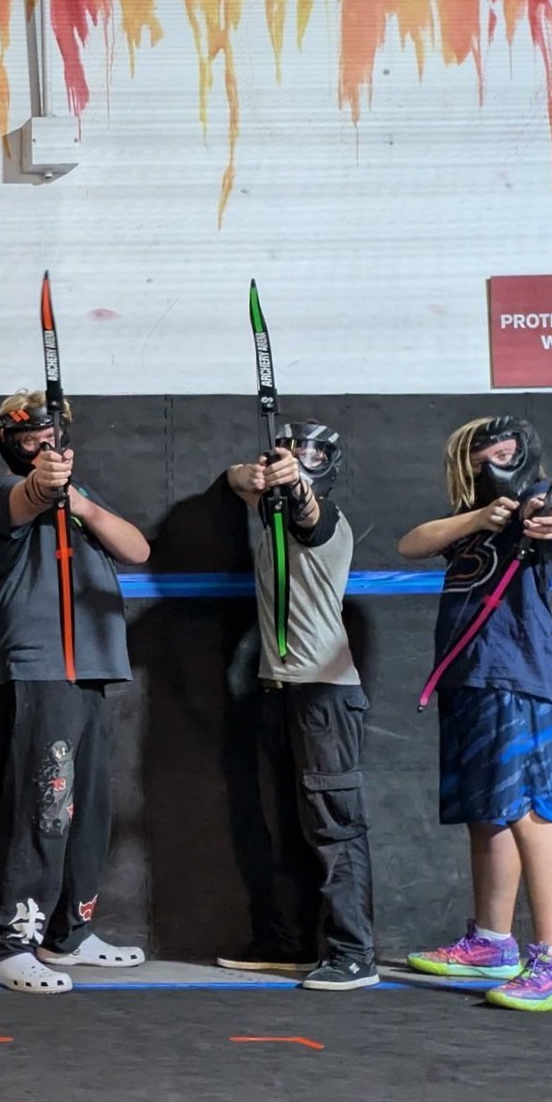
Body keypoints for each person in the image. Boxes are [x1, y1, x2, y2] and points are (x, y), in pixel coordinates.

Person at [396, 416, 552, 1012]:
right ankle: (491, 941)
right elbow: (412, 542)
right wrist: (483, 514)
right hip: (469, 680)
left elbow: (551, 522)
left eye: (501, 455)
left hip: (516, 678)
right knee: (489, 814)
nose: (490, 465)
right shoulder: (474, 522)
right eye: (479, 459)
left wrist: (541, 515)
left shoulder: (536, 504)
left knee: (531, 810)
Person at [0, 391, 153, 993]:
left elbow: (137, 549)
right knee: (44, 807)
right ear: (11, 444)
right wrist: (46, 486)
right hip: (38, 666)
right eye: (28, 440)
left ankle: (68, 932)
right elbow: (24, 500)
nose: (41, 448)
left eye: (49, 436)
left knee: (88, 810)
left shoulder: (83, 497)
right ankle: (7, 945)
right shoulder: (1, 492)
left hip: (92, 668)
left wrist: (78, 502)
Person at [219, 424, 378, 991]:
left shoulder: (327, 522)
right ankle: (289, 943)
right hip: (277, 689)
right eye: (291, 454)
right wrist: (253, 476)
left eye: (313, 457)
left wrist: (296, 485)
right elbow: (233, 481)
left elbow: (311, 513)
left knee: (335, 828)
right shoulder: (269, 516)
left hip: (323, 695)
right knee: (286, 825)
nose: (301, 463)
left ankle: (355, 954)